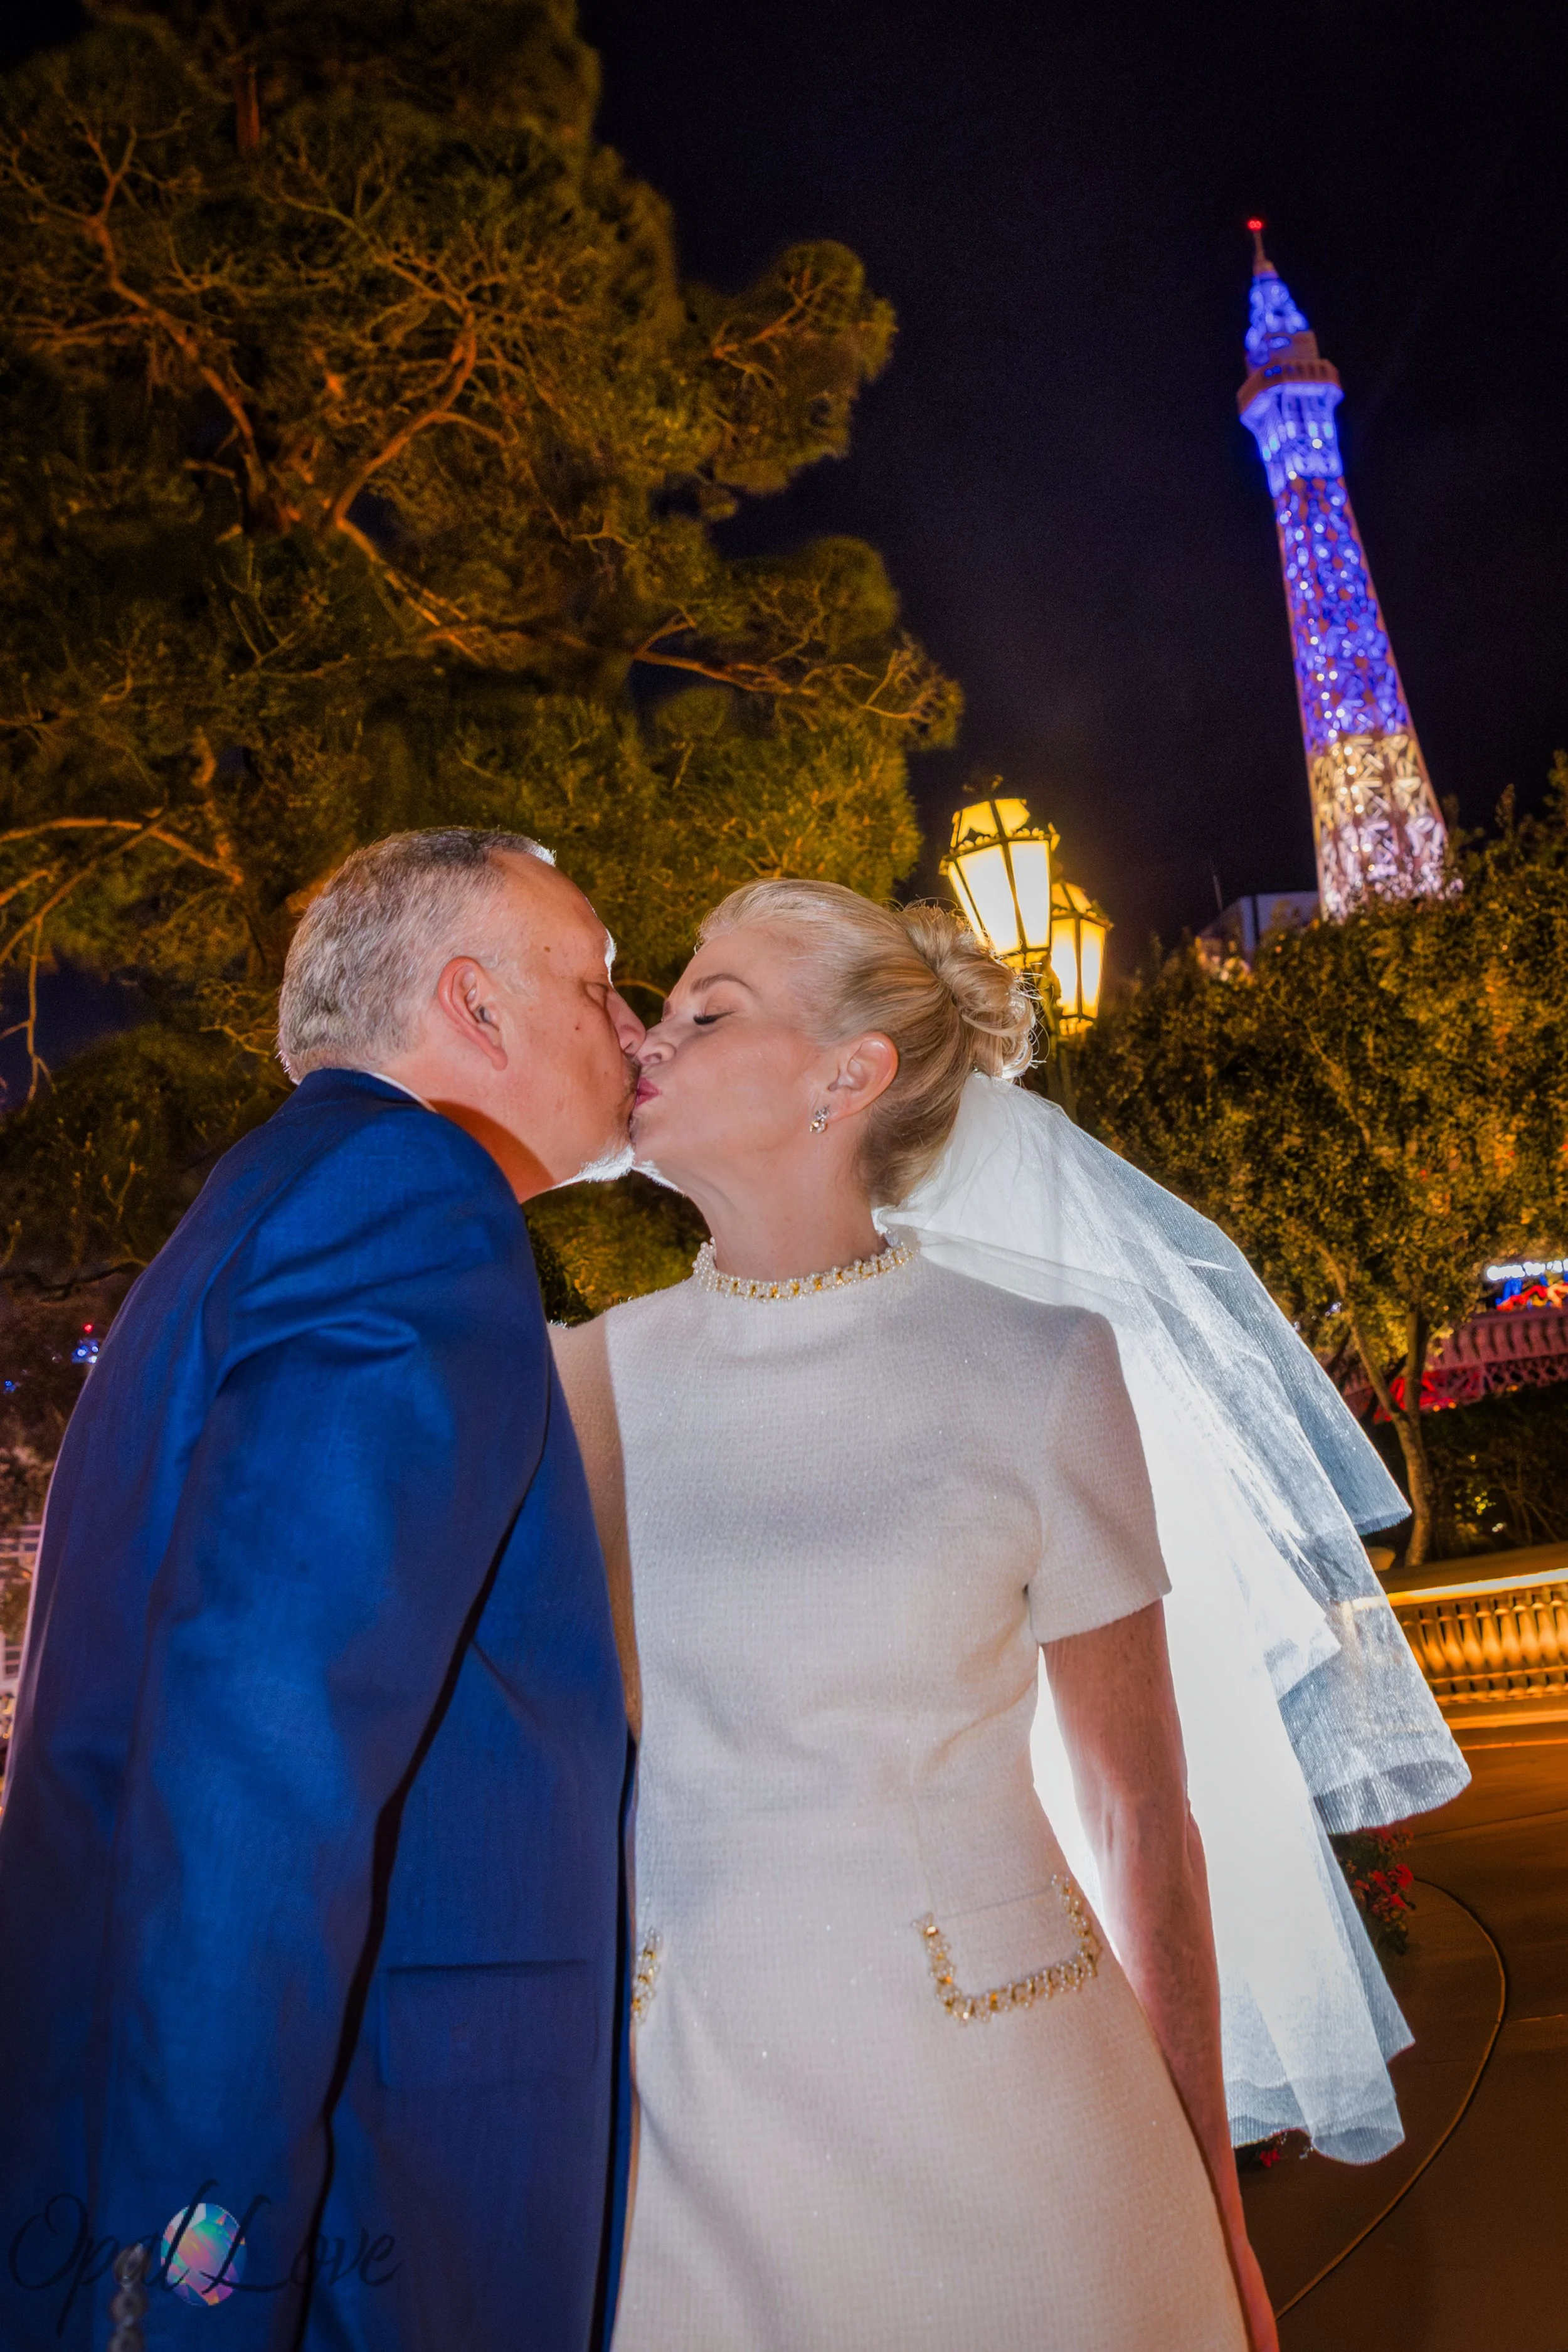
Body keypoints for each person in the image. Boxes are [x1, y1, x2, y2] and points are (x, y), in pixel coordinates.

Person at [554, 878, 1274, 2351]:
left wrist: (1208, 2179)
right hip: (688, 2131)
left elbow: (1139, 1815)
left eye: (710, 1008)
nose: (650, 1036)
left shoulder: (1038, 1368)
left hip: (1016, 2119)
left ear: (849, 1074)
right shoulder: (581, 1385)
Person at [0, 829, 645, 2352]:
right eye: (601, 980)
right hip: (358, 2199)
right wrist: (186, 2294)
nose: (632, 1024)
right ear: (477, 1007)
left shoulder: (284, 1194)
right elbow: (257, 1768)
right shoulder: (404, 1204)